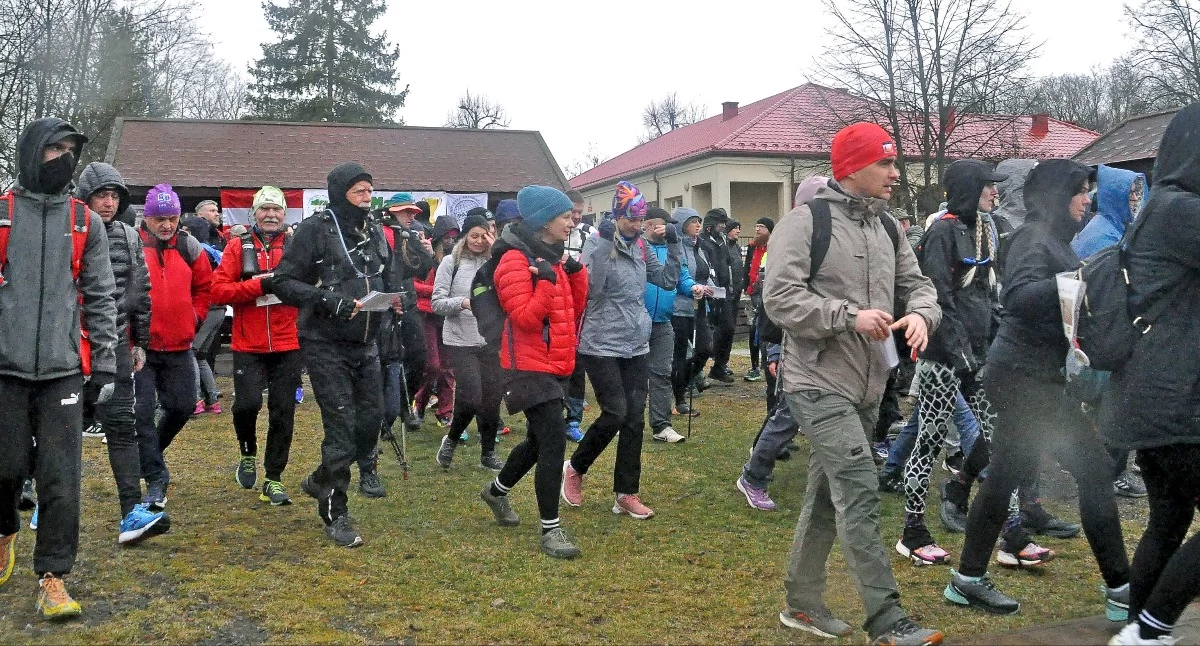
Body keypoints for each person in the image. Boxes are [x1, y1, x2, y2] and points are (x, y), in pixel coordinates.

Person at [765, 122, 943, 645]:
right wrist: (847, 316)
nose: (895, 173)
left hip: (869, 384)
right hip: (816, 380)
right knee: (861, 488)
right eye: (884, 163)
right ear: (852, 167)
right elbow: (779, 299)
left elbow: (919, 285)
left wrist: (922, 315)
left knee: (828, 494)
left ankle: (801, 604)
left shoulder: (888, 226)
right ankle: (887, 621)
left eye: (894, 162)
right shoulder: (805, 222)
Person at [944, 159, 1131, 621]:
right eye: (1079, 192)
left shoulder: (1053, 239)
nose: (1086, 200)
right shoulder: (1034, 239)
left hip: (1030, 376)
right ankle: (1121, 588)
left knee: (1004, 476)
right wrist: (1080, 278)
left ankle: (967, 579)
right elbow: (1020, 297)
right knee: (1094, 471)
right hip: (1024, 379)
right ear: (1056, 196)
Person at [899, 160, 1054, 568]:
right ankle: (912, 532)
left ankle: (1012, 535)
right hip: (942, 360)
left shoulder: (987, 230)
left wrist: (997, 342)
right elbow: (939, 298)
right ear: (970, 189)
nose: (995, 192)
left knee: (998, 443)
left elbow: (988, 296)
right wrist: (962, 353)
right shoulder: (941, 232)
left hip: (980, 357)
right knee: (929, 441)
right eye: (988, 185)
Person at [0, 118, 118, 618]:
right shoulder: (2, 214)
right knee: (5, 468)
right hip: (4, 369)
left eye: (71, 150)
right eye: (55, 149)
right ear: (32, 152)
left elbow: (101, 295)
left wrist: (105, 365)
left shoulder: (85, 222)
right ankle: (4, 528)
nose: (64, 158)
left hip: (63, 370)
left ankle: (53, 575)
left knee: (60, 478)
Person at [1101, 104, 1200, 646]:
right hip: (1176, 400)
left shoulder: (1163, 205)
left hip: (1153, 394)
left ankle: (1141, 630)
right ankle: (1148, 631)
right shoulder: (1181, 211)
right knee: (1169, 517)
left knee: (1168, 519)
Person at [271, 162, 405, 547]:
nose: (366, 198)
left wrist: (395, 301)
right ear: (339, 193)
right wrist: (326, 299)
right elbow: (282, 281)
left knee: (371, 422)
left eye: (370, 191)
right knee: (342, 426)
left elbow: (384, 276)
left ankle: (320, 480)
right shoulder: (315, 229)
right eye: (359, 191)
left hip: (367, 341)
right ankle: (336, 512)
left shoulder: (374, 229)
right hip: (325, 342)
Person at [478, 185, 588, 559]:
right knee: (554, 440)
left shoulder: (552, 257)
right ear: (543, 221)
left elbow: (572, 309)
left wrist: (575, 273)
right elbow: (525, 318)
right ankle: (550, 529)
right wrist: (544, 281)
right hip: (524, 365)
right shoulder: (514, 260)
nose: (573, 222)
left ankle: (496, 491)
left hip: (553, 361)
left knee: (540, 442)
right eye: (566, 217)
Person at [560, 181, 681, 520]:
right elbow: (593, 290)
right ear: (617, 216)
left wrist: (674, 245)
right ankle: (576, 467)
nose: (637, 225)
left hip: (636, 342)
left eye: (641, 219)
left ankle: (626, 493)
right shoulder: (597, 244)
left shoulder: (642, 246)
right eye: (631, 219)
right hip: (600, 342)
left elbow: (668, 281)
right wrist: (602, 244)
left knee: (634, 420)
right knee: (615, 412)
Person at [74, 161, 167, 544]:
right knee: (58, 431)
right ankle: (48, 502)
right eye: (101, 195)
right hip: (70, 346)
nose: (108, 203)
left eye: (114, 196)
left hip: (115, 348)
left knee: (122, 428)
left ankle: (131, 512)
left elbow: (140, 292)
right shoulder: (68, 230)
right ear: (86, 198)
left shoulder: (129, 236)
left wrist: (139, 341)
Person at [209, 186, 302, 506]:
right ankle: (247, 453)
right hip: (248, 343)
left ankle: (273, 478)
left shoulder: (296, 247)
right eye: (265, 209)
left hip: (288, 342)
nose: (271, 215)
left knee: (283, 413)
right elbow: (219, 291)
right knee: (246, 405)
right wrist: (259, 286)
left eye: (277, 209)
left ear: (285, 213)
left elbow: (311, 287)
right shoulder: (238, 246)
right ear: (254, 213)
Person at [1071, 164, 1149, 499]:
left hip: (1106, 329)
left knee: (1104, 405)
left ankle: (1098, 466)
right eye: (1129, 194)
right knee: (1114, 402)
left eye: (1138, 194)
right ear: (1115, 196)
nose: (1135, 201)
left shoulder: (1118, 228)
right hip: (1102, 330)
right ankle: (1107, 473)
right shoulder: (1102, 235)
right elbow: (1101, 286)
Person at [136, 183, 213, 512]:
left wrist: (195, 317)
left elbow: (205, 286)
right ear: (147, 218)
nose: (167, 225)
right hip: (140, 348)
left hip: (180, 345)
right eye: (159, 218)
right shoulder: (132, 244)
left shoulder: (189, 245)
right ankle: (156, 478)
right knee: (140, 414)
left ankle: (149, 455)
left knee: (182, 407)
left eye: (172, 218)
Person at [432, 214, 505, 470]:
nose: (478, 241)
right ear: (464, 237)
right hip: (460, 339)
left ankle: (488, 452)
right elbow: (437, 302)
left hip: (490, 338)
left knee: (492, 398)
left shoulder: (495, 263)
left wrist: (497, 252)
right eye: (473, 236)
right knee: (472, 395)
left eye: (484, 236)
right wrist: (463, 303)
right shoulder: (450, 263)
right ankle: (452, 439)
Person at [642, 207, 699, 444]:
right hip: (638, 320)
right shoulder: (639, 248)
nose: (668, 229)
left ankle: (661, 425)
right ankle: (625, 420)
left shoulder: (672, 249)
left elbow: (680, 276)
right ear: (649, 225)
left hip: (664, 320)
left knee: (662, 374)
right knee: (634, 376)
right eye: (664, 224)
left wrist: (692, 287)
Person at [411, 217, 459, 428]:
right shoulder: (424, 253)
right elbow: (412, 284)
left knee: (448, 367)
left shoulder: (456, 258)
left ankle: (445, 411)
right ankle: (420, 403)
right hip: (427, 315)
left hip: (447, 315)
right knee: (433, 366)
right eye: (447, 237)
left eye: (454, 238)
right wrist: (438, 292)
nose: (451, 241)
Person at [669, 209, 715, 416]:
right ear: (681, 224)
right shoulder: (676, 247)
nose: (698, 225)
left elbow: (705, 273)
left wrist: (711, 288)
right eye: (693, 222)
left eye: (699, 221)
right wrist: (693, 287)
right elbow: (679, 277)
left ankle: (686, 381)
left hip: (700, 306)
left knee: (705, 349)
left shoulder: (699, 247)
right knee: (680, 355)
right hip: (679, 308)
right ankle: (679, 397)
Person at [563, 190, 592, 441]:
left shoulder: (589, 235)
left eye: (580, 213)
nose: (576, 217)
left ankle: (573, 419)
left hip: (581, 306)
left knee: (578, 365)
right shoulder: (551, 234)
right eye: (572, 212)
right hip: (556, 304)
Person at [699, 208, 736, 384]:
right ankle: (699, 372)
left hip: (724, 291)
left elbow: (727, 265)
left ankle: (720, 366)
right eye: (721, 224)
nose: (723, 227)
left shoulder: (722, 241)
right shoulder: (702, 243)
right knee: (708, 333)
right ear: (711, 226)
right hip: (709, 292)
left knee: (728, 328)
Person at [743, 217, 773, 382]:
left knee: (765, 330)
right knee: (753, 329)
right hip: (754, 294)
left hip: (769, 294)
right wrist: (747, 286)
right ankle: (755, 366)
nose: (757, 230)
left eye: (761, 227)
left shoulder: (774, 247)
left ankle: (768, 362)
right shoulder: (752, 247)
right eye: (756, 226)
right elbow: (747, 267)